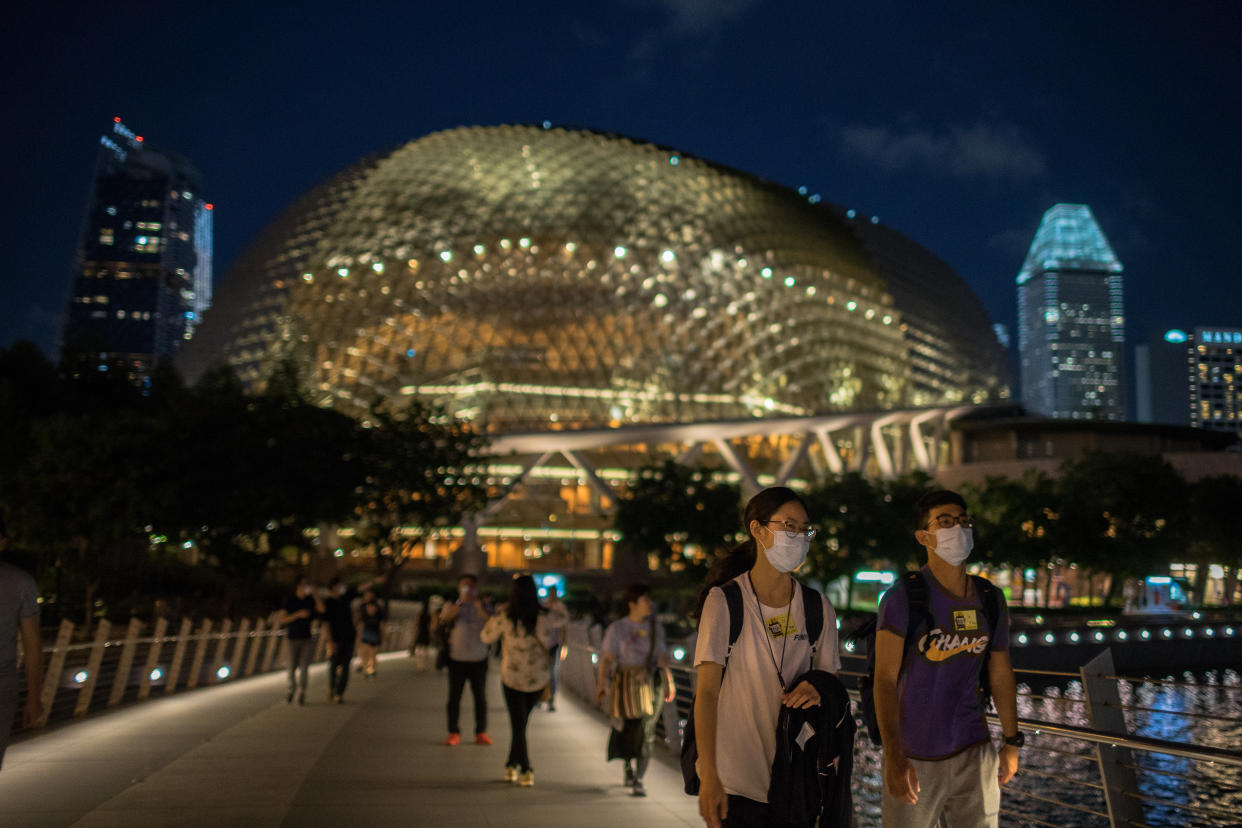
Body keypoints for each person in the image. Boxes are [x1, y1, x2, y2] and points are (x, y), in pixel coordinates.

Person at [693, 486, 842, 828]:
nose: (799, 536)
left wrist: (819, 689)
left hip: (797, 781)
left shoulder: (818, 607)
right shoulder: (725, 601)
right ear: (757, 529)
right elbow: (707, 694)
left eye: (805, 529)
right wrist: (710, 776)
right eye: (789, 526)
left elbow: (830, 680)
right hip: (736, 782)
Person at [874, 490, 1020, 828]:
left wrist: (1011, 742)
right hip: (914, 756)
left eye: (963, 521)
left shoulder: (990, 598)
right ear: (923, 536)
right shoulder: (901, 598)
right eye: (945, 521)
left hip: (975, 750)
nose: (958, 528)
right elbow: (884, 679)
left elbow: (1000, 672)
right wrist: (893, 755)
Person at [480, 573, 569, 787]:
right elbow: (563, 617)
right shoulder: (544, 616)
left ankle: (520, 766)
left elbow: (486, 636)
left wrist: (497, 612)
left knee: (518, 723)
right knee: (521, 722)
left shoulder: (505, 617)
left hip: (511, 678)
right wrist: (553, 601)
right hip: (538, 679)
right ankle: (518, 766)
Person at [595, 583, 675, 796]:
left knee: (646, 729)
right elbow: (607, 658)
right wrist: (601, 684)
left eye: (650, 600)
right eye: (645, 600)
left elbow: (661, 658)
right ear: (632, 604)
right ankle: (628, 767)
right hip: (626, 684)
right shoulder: (618, 628)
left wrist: (669, 681)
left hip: (651, 683)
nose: (650, 604)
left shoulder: (655, 628)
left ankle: (639, 779)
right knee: (628, 727)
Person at [0, 514, 43, 770]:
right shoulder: (21, 582)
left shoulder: (21, 583)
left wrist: (34, 696)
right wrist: (34, 697)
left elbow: (32, 643)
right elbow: (32, 643)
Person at [440, 573, 493, 746]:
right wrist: (460, 603)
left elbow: (492, 624)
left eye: (471, 586)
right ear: (459, 588)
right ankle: (453, 731)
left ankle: (481, 732)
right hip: (457, 658)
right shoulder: (452, 605)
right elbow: (444, 620)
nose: (468, 590)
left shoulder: (484, 607)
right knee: (454, 697)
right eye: (465, 586)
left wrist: (479, 607)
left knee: (480, 698)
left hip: (479, 658)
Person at [321, 574, 383, 703]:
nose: (342, 588)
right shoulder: (328, 603)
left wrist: (374, 580)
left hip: (348, 637)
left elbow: (359, 588)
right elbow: (325, 623)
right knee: (333, 665)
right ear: (333, 587)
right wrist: (330, 641)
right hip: (335, 639)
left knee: (346, 665)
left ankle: (339, 693)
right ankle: (332, 688)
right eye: (340, 586)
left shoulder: (345, 598)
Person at [279, 574, 323, 705]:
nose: (305, 587)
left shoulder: (309, 600)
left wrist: (315, 594)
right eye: (303, 584)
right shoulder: (289, 600)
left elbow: (321, 609)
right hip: (292, 638)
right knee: (291, 666)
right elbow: (283, 619)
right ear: (297, 586)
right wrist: (298, 614)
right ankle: (291, 689)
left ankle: (302, 692)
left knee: (304, 667)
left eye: (307, 585)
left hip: (307, 638)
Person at [543, 585, 569, 711]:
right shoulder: (544, 606)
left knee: (553, 672)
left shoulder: (560, 608)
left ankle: (551, 699)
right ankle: (542, 697)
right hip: (543, 645)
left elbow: (564, 627)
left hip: (554, 644)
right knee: (544, 671)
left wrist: (564, 644)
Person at [358, 589, 386, 678]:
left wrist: (383, 636)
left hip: (375, 635)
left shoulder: (379, 614)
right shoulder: (364, 613)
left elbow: (382, 625)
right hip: (366, 635)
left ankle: (371, 669)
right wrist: (359, 635)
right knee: (365, 652)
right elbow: (361, 625)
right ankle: (367, 669)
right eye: (368, 607)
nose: (370, 609)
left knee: (373, 653)